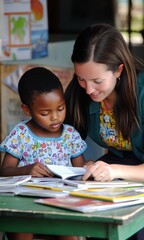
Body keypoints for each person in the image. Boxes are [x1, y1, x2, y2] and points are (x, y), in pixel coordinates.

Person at [64, 23, 144, 240]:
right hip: (115, 175)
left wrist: (113, 170)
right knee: (88, 214)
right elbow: (64, 139)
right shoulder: (80, 92)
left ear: (119, 69)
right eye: (81, 78)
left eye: (97, 81)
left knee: (142, 223)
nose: (88, 89)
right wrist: (82, 165)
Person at [0, 66, 87, 240]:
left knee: (70, 231)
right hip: (25, 203)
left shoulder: (70, 135)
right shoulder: (21, 134)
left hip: (61, 202)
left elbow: (80, 171)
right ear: (27, 110)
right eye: (45, 113)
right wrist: (26, 170)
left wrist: (88, 169)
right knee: (20, 227)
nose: (55, 117)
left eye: (61, 108)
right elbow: (4, 171)